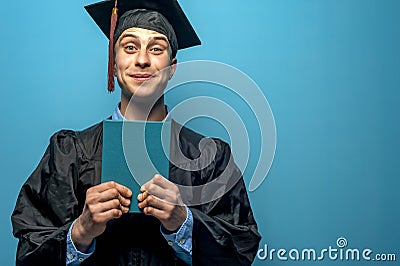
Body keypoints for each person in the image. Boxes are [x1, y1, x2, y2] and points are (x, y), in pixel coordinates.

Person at [11, 0, 261, 265]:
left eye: (156, 49)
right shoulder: (70, 152)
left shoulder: (211, 157)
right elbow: (29, 254)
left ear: (172, 67)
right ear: (114, 62)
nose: (142, 60)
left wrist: (184, 222)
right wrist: (81, 231)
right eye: (130, 47)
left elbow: (240, 251)